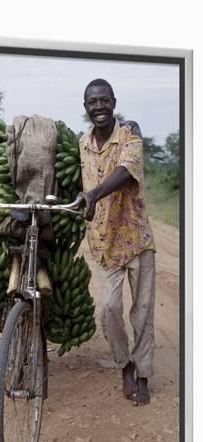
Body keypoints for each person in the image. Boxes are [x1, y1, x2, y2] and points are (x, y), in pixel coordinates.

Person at [78, 78, 156, 406]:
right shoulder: (82, 144)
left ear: (113, 101)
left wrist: (95, 193)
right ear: (86, 108)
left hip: (137, 238)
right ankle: (124, 362)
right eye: (92, 102)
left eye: (104, 100)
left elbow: (126, 170)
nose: (99, 106)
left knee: (142, 313)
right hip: (104, 241)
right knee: (110, 308)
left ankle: (143, 374)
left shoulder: (130, 134)